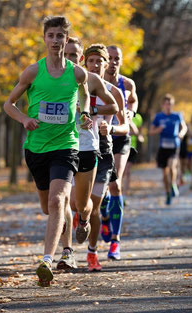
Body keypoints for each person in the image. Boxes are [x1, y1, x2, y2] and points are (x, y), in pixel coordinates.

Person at [3, 16, 93, 286]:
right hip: (36, 147)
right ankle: (65, 245)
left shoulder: (77, 72)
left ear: (67, 40)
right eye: (51, 35)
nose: (55, 40)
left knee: (58, 201)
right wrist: (24, 120)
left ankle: (47, 259)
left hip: (66, 145)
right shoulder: (33, 72)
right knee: (49, 206)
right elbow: (9, 104)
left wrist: (85, 112)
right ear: (45, 39)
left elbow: (85, 94)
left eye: (60, 36)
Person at [57, 37, 119, 270]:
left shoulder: (97, 84)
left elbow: (115, 109)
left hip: (97, 148)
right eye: (68, 54)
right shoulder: (59, 81)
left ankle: (92, 252)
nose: (94, 65)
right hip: (66, 145)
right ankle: (67, 251)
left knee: (90, 205)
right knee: (65, 201)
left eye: (76, 56)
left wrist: (94, 112)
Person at [83, 43, 129, 270]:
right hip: (76, 149)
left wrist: (110, 130)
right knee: (78, 205)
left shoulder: (115, 92)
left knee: (96, 202)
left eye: (99, 62)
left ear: (105, 65)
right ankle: (81, 221)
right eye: (90, 61)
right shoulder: (75, 88)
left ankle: (97, 250)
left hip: (102, 150)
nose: (95, 65)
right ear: (85, 63)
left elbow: (125, 127)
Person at [99, 45, 139, 260]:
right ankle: (104, 217)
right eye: (110, 58)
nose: (113, 62)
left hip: (120, 137)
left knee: (115, 183)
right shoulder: (96, 82)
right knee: (102, 189)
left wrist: (130, 113)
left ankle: (116, 241)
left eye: (117, 59)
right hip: (100, 138)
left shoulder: (127, 83)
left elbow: (133, 100)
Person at [150, 94, 187, 205]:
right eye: (166, 104)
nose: (168, 106)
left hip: (174, 145)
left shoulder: (177, 116)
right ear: (163, 105)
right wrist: (158, 130)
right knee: (165, 173)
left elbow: (184, 127)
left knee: (172, 166)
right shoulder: (158, 117)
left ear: (172, 105)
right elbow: (151, 131)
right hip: (163, 147)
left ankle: (173, 184)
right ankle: (167, 193)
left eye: (170, 104)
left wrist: (181, 133)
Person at [122, 112, 144, 203]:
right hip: (120, 146)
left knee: (127, 172)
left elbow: (138, 131)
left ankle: (124, 195)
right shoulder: (120, 112)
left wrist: (140, 136)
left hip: (131, 147)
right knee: (121, 173)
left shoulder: (138, 117)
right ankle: (117, 193)